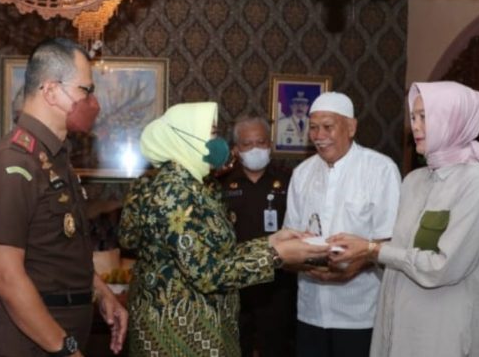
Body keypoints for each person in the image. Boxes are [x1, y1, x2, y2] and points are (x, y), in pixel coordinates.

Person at [119, 102, 330, 357]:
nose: (217, 143)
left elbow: (218, 254)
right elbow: (208, 273)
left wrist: (272, 242)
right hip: (178, 332)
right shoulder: (174, 191)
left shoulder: (195, 185)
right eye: (210, 134)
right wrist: (277, 255)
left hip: (202, 326)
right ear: (188, 138)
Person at [329, 81, 479, 357]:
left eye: (424, 117)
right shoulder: (414, 180)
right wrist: (362, 251)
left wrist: (372, 249)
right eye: (413, 117)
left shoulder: (477, 182)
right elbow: (397, 255)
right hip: (397, 327)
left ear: (452, 120)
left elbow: (442, 267)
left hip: (442, 336)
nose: (415, 126)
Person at [0, 38, 127, 357]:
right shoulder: (14, 162)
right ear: (50, 91)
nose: (92, 102)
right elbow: (5, 277)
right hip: (33, 342)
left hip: (64, 331)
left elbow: (60, 250)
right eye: (85, 90)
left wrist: (102, 293)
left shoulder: (56, 158)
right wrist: (66, 349)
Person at [282, 91, 401, 357]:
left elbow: (391, 241)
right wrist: (301, 260)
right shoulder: (302, 174)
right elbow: (289, 236)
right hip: (310, 311)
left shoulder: (381, 169)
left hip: (361, 313)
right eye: (313, 127)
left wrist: (355, 265)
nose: (319, 135)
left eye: (328, 126)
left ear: (351, 127)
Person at [219, 115, 296, 357]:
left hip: (278, 283)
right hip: (235, 284)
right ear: (236, 149)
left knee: (276, 347)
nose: (255, 149)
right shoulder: (220, 184)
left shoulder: (290, 180)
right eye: (247, 144)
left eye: (261, 142)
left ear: (270, 145)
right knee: (235, 347)